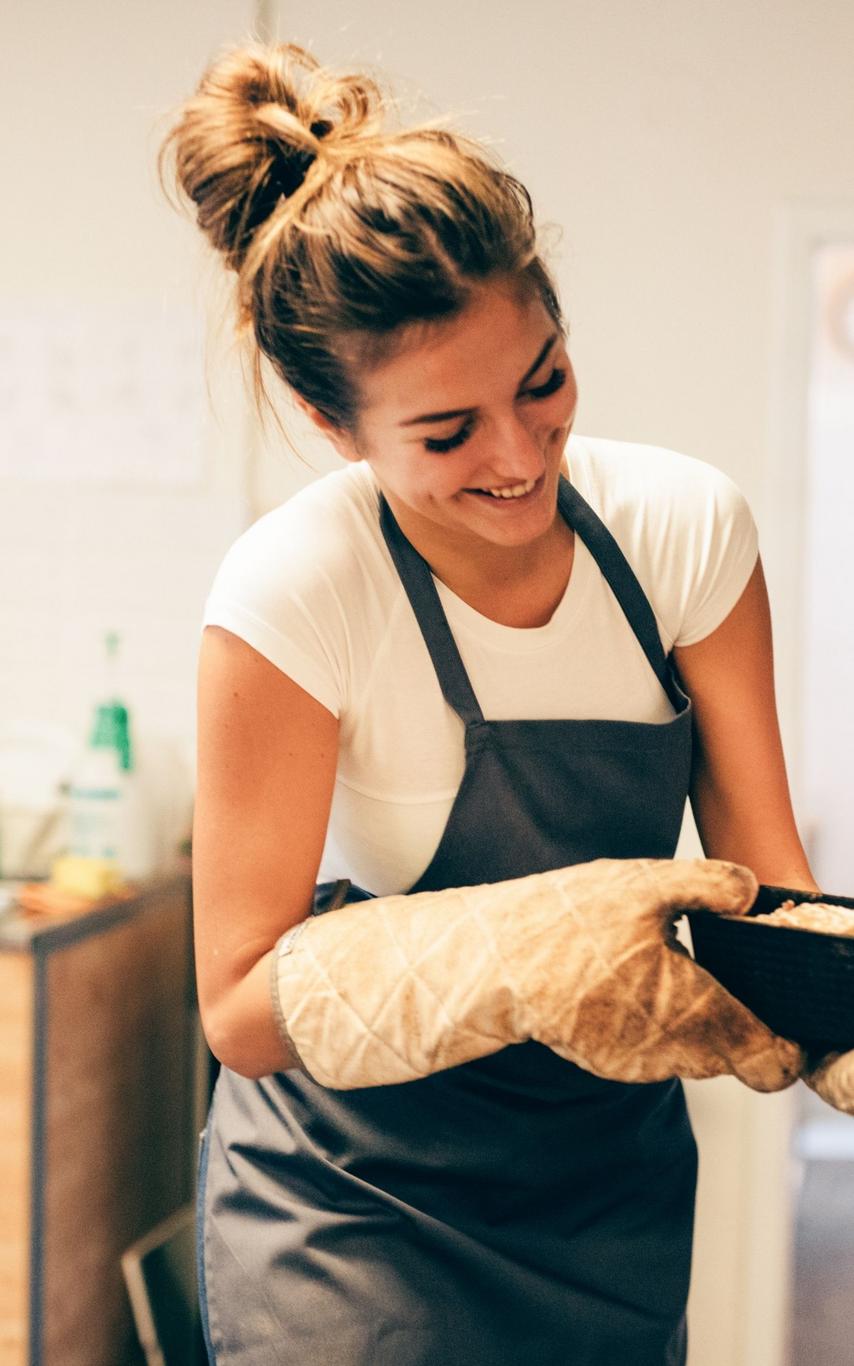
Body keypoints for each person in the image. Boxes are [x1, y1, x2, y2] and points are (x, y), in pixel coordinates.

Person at [159, 40, 843, 1366]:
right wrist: (539, 937)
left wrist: (840, 1005)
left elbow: (771, 887)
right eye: (446, 431)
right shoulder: (294, 592)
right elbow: (239, 1005)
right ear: (328, 420)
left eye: (542, 382)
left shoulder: (682, 533)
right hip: (352, 1205)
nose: (520, 456)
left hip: (604, 1188)